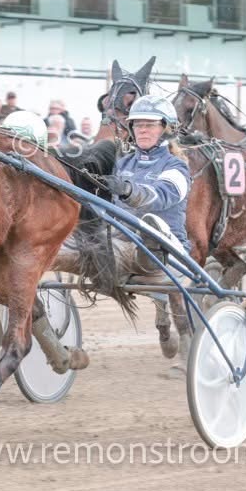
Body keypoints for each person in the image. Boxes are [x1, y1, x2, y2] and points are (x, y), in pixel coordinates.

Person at [99, 94, 192, 375]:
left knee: (141, 230)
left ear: (166, 128)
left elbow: (162, 196)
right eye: (138, 125)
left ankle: (185, 345)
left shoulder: (177, 167)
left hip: (165, 253)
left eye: (150, 125)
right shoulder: (123, 164)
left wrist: (130, 192)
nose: (142, 130)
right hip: (121, 246)